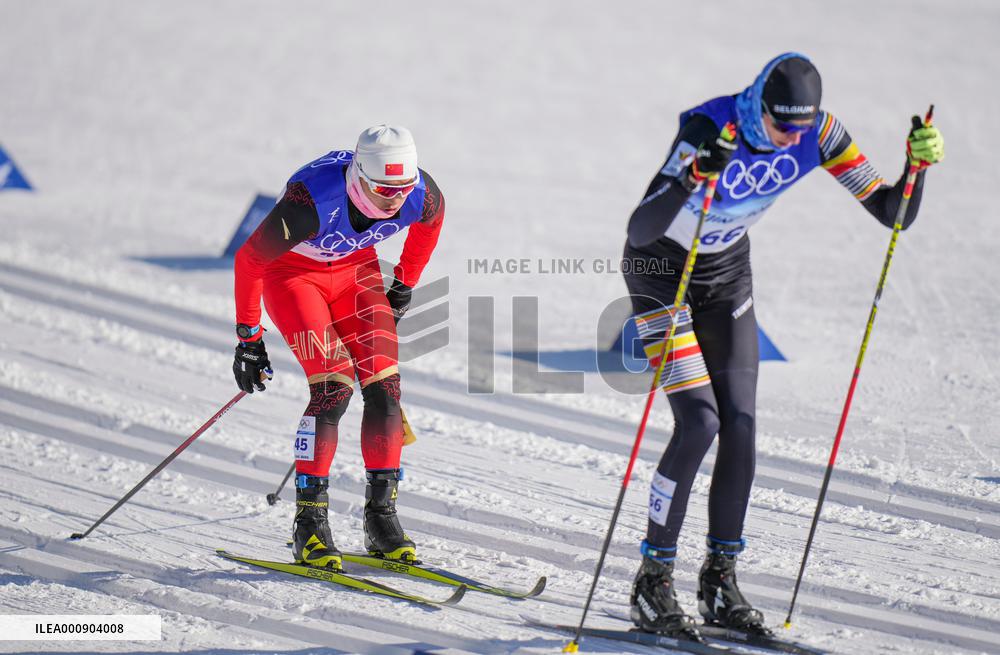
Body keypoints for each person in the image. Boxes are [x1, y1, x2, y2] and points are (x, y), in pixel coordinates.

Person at [622, 53, 944, 636]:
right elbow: (641, 227)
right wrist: (694, 175)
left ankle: (719, 581)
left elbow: (891, 213)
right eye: (779, 127)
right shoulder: (710, 127)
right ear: (758, 107)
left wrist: (916, 169)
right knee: (700, 422)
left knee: (741, 421)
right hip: (659, 270)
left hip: (725, 275)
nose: (788, 139)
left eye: (798, 129)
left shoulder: (820, 133)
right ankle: (653, 580)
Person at [231, 125, 445, 570]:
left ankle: (381, 519)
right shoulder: (311, 203)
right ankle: (309, 523)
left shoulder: (419, 194)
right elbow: (250, 259)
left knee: (386, 389)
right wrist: (249, 339)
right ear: (359, 177)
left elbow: (432, 222)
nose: (393, 201)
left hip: (356, 274)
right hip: (293, 277)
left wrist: (405, 282)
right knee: (334, 388)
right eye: (383, 190)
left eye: (401, 189)